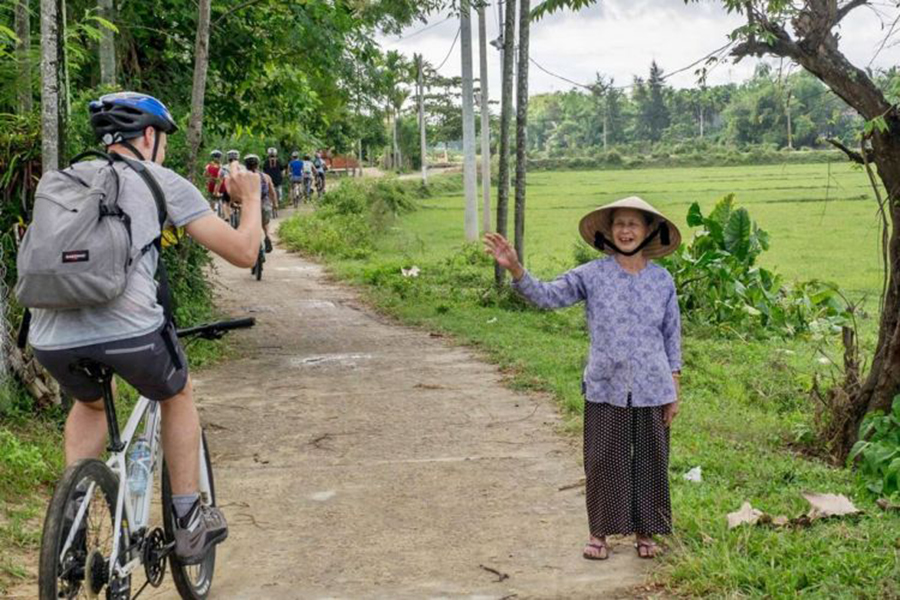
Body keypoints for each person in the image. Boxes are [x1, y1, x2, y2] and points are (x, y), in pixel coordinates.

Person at [29, 92, 262, 565]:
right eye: (165, 141)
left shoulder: (61, 182)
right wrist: (252, 198)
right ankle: (190, 523)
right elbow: (243, 252)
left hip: (48, 335)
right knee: (177, 393)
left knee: (89, 403)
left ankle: (71, 529)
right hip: (130, 330)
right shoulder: (162, 180)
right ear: (150, 137)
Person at [484, 196, 683, 561]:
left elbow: (671, 335)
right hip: (605, 385)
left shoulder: (662, 279)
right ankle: (600, 535)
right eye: (619, 224)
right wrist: (515, 269)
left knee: (651, 459)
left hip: (654, 387)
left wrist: (674, 386)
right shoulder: (591, 275)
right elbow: (547, 297)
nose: (625, 231)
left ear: (648, 231)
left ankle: (646, 532)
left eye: (633, 224)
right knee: (603, 459)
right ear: (608, 232)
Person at [244, 154, 274, 253]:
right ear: (257, 164)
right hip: (264, 202)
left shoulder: (243, 177)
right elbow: (272, 192)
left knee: (249, 223)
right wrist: (275, 203)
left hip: (250, 203)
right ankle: (267, 236)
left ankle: (255, 243)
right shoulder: (265, 176)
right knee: (264, 223)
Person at [215, 149, 241, 223]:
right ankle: (243, 220)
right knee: (242, 204)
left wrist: (216, 192)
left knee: (224, 202)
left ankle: (227, 216)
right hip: (239, 190)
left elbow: (218, 182)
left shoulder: (223, 168)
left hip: (228, 190)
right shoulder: (242, 167)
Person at [263, 147, 284, 213]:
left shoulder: (266, 162)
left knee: (268, 193)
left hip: (268, 181)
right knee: (279, 189)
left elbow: (264, 171)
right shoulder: (278, 161)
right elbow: (282, 170)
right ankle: (279, 199)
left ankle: (269, 204)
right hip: (278, 180)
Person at [205, 150, 223, 214]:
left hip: (211, 186)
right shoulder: (222, 166)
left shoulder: (208, 166)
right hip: (220, 187)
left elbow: (205, 175)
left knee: (211, 201)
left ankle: (212, 212)